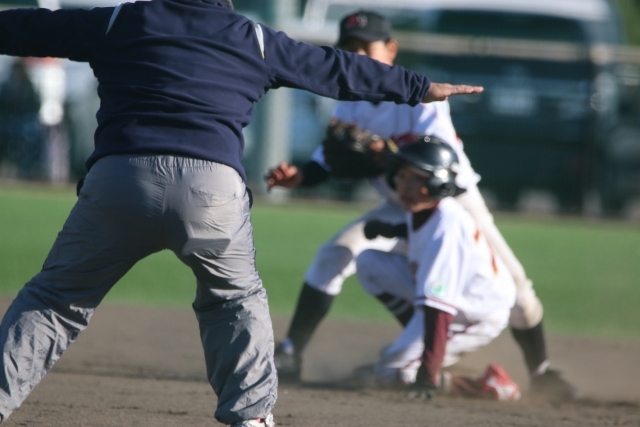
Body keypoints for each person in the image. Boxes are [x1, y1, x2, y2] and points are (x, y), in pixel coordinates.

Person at [0, 1, 481, 425]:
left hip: (122, 180)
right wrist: (420, 86)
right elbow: (335, 69)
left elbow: (34, 27)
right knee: (234, 302)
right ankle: (250, 417)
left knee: (56, 300)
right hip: (213, 192)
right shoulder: (252, 38)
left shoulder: (122, 19)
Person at [266, 10, 573, 399]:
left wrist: (382, 155)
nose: (358, 56)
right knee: (337, 254)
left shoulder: (417, 95)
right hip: (400, 204)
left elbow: (434, 161)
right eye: (350, 49)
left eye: (367, 47)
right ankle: (291, 353)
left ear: (391, 49)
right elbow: (330, 159)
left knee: (516, 289)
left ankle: (542, 370)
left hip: (452, 202)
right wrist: (302, 177)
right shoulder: (349, 99)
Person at [356, 135, 520, 401]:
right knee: (369, 262)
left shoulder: (447, 228)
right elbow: (421, 233)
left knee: (390, 372)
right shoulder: (425, 208)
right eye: (403, 177)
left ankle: (488, 385)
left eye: (417, 179)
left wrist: (426, 377)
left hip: (474, 313)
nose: (405, 186)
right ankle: (419, 347)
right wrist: (390, 229)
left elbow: (439, 310)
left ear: (438, 184)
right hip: (448, 304)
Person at [0, 59, 42, 178]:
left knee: (31, 133)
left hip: (24, 122)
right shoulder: (5, 87)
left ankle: (26, 168)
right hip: (7, 122)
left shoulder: (29, 87)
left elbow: (35, 106)